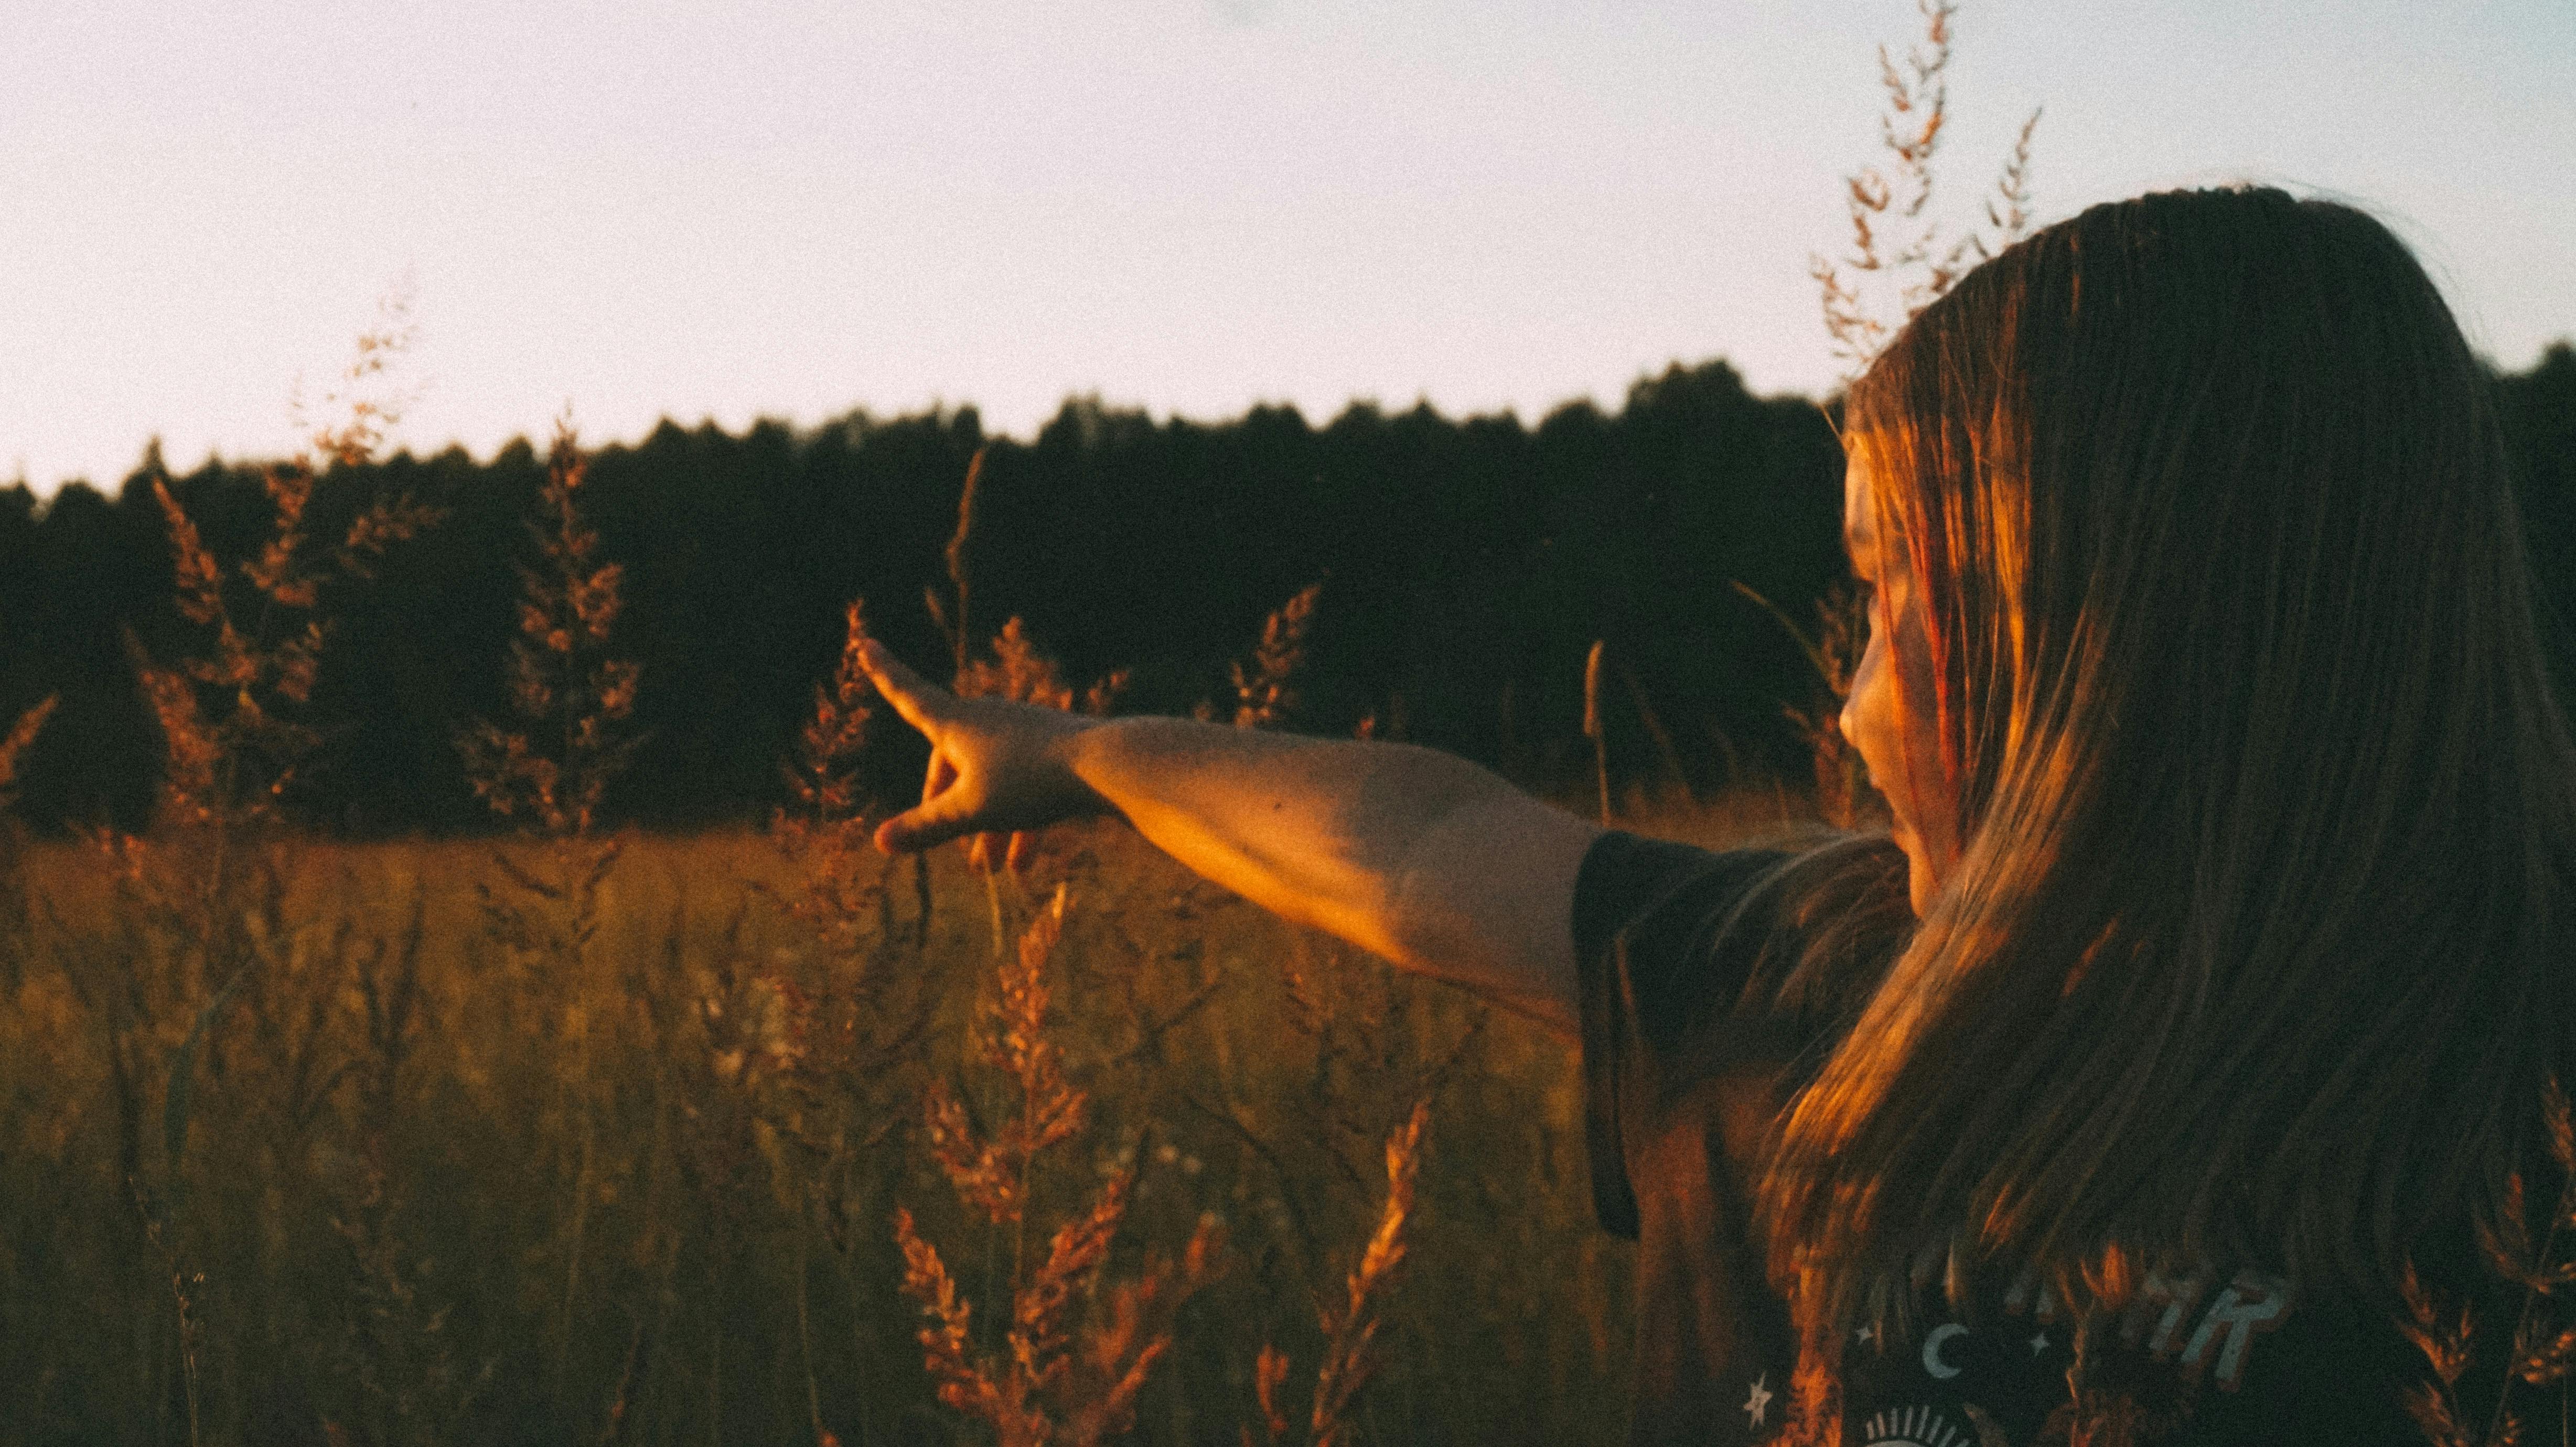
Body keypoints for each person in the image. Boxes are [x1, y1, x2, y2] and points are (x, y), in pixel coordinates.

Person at [854, 186, 2576, 1445]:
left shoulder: (2518, 1176)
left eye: (1905, 590)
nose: (1856, 698)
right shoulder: (1828, 971)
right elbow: (1421, 849)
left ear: (2129, 637)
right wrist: (1084, 756)